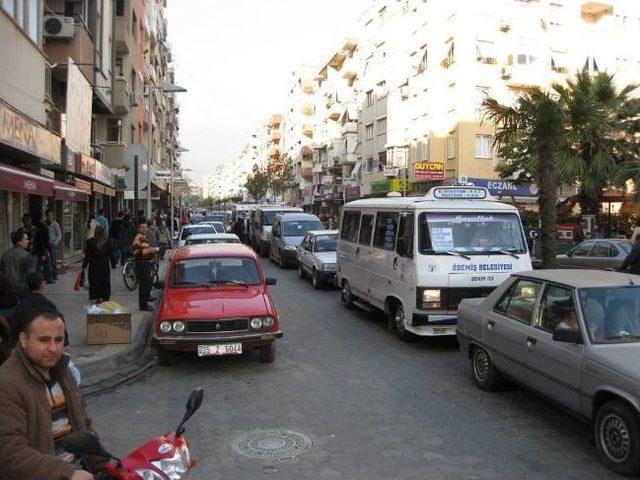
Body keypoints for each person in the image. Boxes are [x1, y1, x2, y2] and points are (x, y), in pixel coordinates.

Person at [0, 308, 95, 480]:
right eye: (44, 340)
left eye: (58, 340)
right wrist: (67, 474)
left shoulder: (62, 371)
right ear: (23, 340)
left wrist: (103, 461)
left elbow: (83, 423)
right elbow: (8, 450)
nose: (53, 348)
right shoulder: (7, 383)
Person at [82, 226, 116, 303]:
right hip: (104, 266)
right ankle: (105, 296)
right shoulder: (107, 242)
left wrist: (84, 265)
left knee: (95, 281)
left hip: (94, 266)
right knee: (105, 281)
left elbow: (87, 255)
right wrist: (113, 264)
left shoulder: (90, 242)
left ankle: (96, 295)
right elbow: (111, 254)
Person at [0, 230, 35, 297]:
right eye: (26, 239)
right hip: (22, 290)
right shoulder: (27, 255)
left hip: (7, 290)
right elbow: (31, 275)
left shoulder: (5, 255)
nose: (28, 241)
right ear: (19, 242)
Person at [133, 220, 157, 311]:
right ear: (139, 228)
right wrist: (149, 250)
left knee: (146, 284)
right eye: (142, 227)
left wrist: (151, 251)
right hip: (142, 264)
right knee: (143, 286)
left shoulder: (144, 237)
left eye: (145, 227)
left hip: (146, 263)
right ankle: (143, 306)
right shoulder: (138, 238)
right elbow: (135, 252)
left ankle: (145, 304)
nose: (144, 229)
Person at [46, 210, 62, 282]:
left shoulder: (55, 224)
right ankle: (49, 277)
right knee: (47, 262)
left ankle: (55, 276)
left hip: (53, 245)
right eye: (48, 215)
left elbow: (59, 234)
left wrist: (55, 242)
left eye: (51, 215)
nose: (50, 217)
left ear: (53, 216)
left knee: (53, 262)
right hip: (46, 245)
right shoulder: (44, 224)